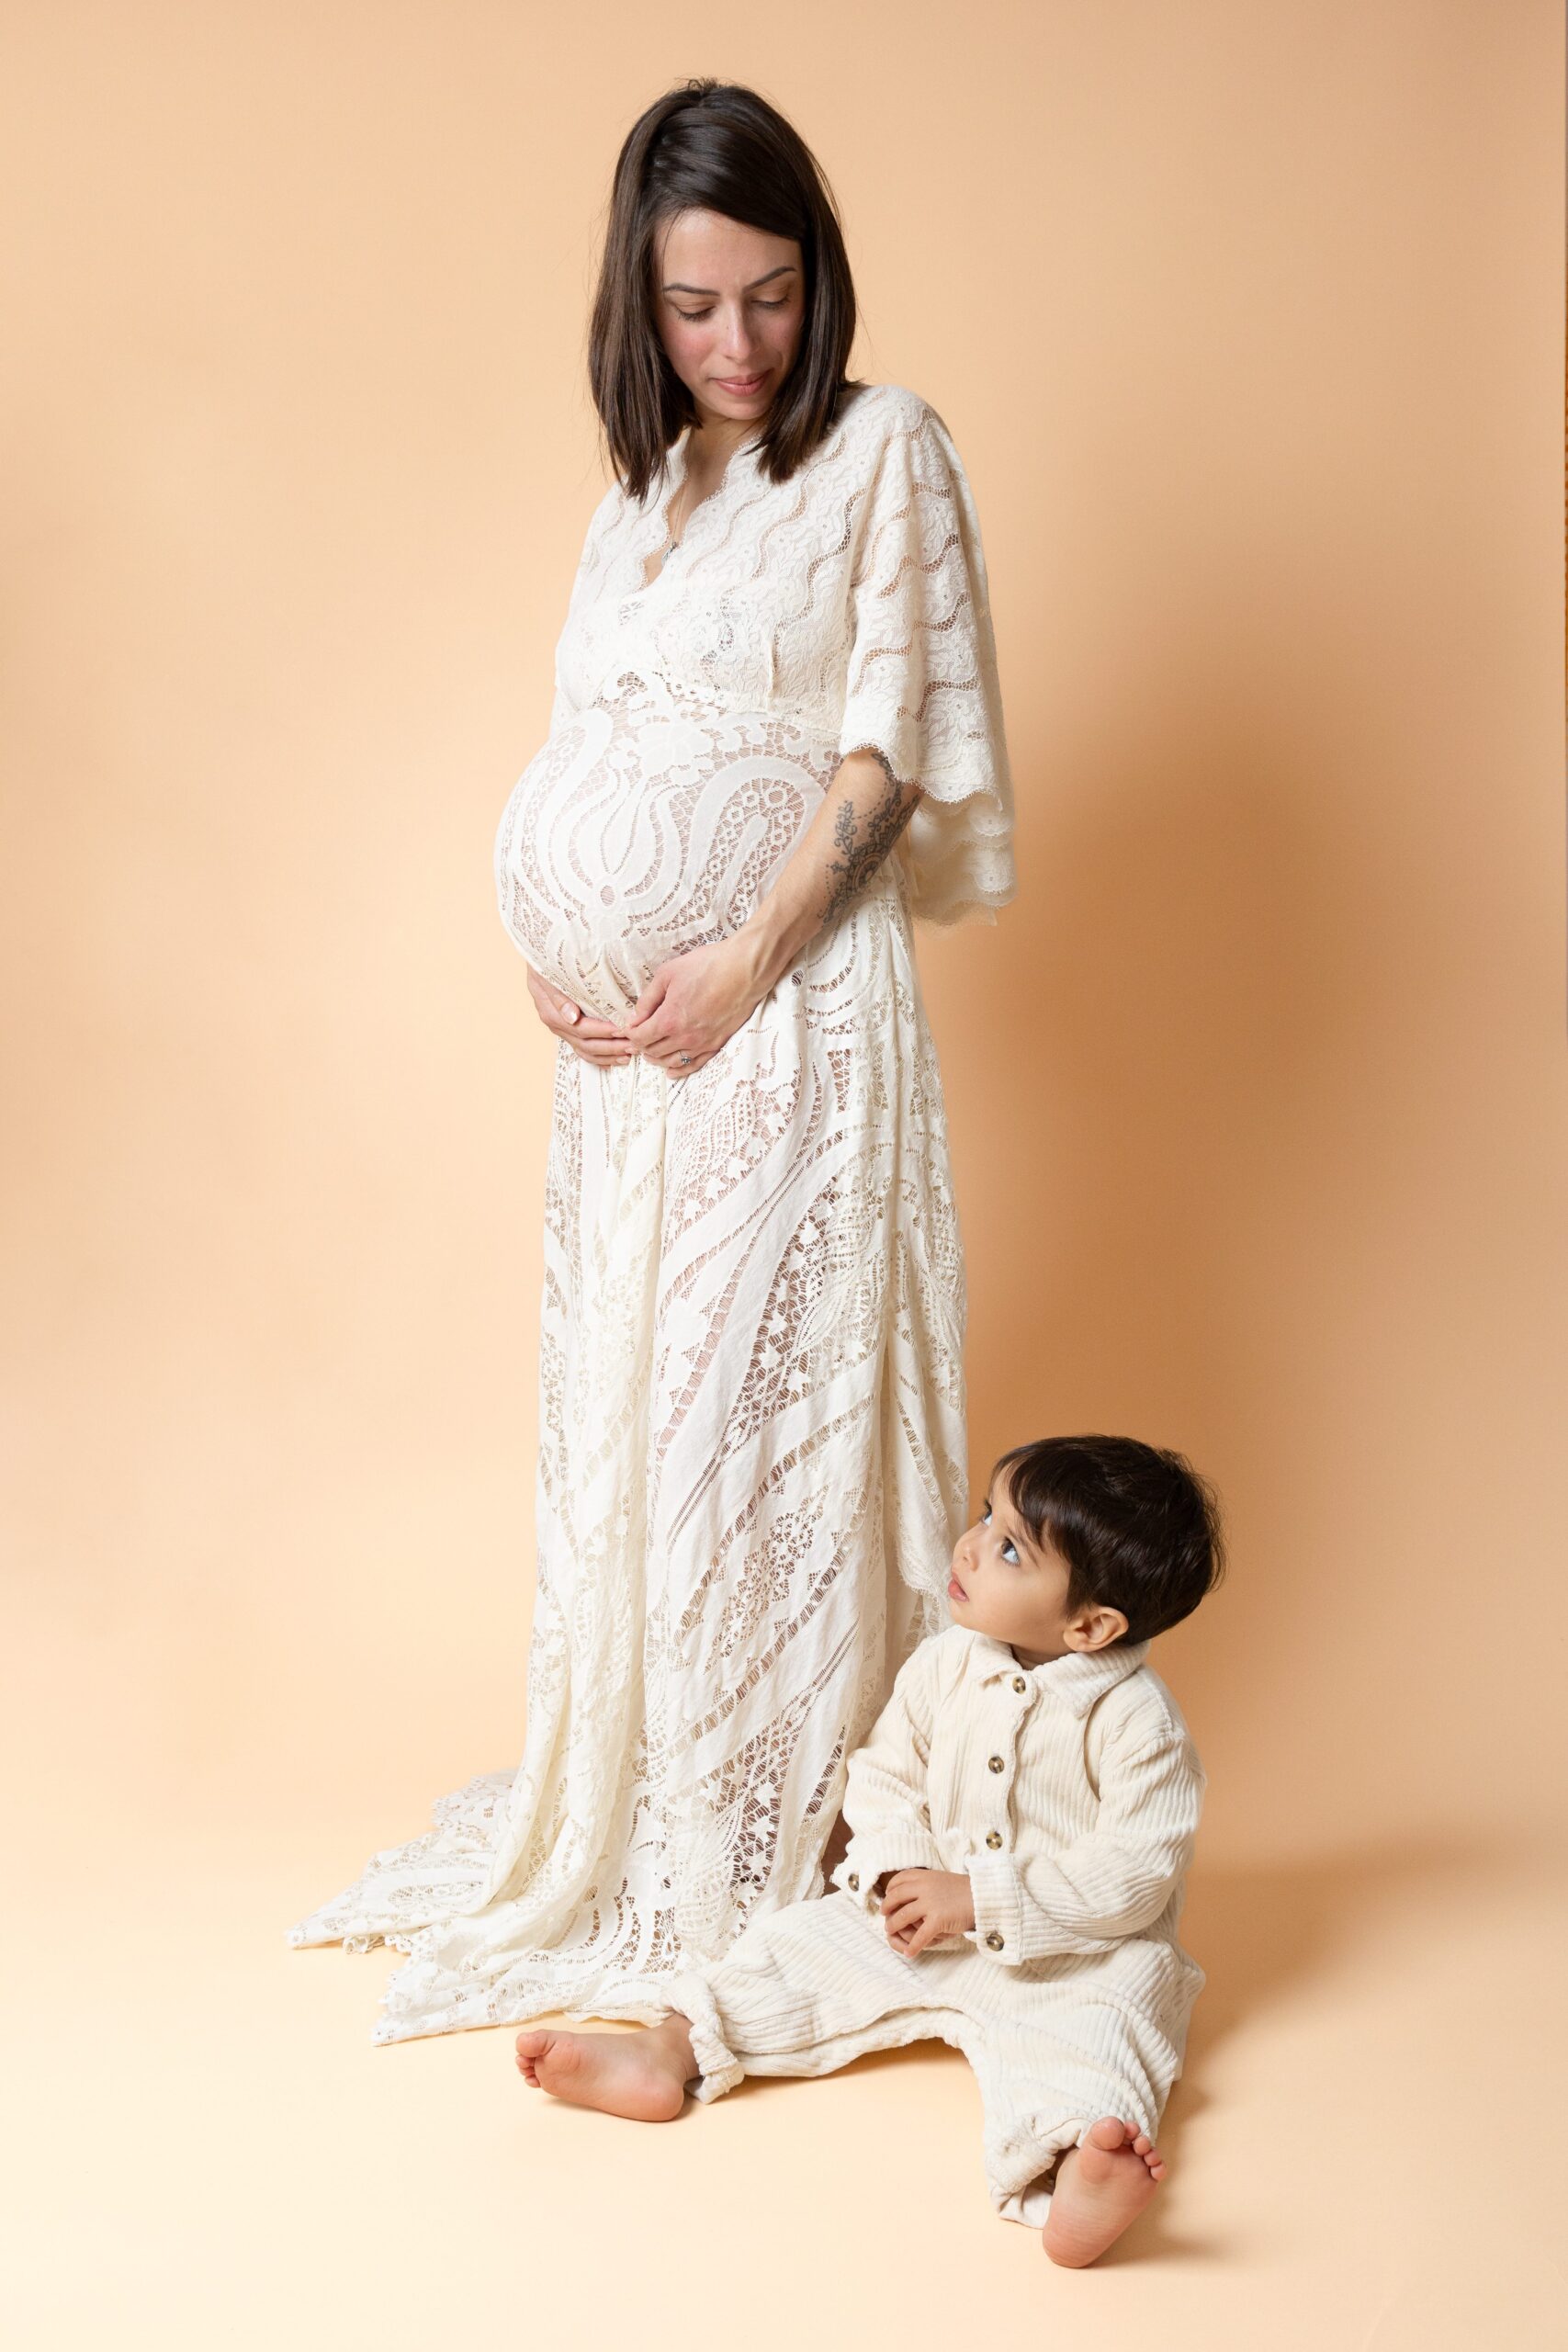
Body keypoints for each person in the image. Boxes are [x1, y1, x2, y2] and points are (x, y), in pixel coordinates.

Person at [287, 78, 1015, 2041]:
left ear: (817, 278)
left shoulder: (882, 448)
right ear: (639, 299)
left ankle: (767, 1849)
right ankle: (670, 1807)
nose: (737, 342)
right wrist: (566, 943)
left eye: (770, 295)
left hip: (790, 1020)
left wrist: (740, 958)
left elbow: (887, 750)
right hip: (630, 1070)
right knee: (635, 1426)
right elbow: (597, 750)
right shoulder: (635, 504)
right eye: (695, 305)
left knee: (747, 1432)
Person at [514, 1435, 1224, 2270]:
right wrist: (898, 1873)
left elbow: (1134, 1874)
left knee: (1109, 2026)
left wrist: (980, 1897)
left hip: (1075, 1955)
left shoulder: (1140, 1725)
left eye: (1008, 1549)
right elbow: (887, 1775)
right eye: (985, 1516)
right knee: (795, 1945)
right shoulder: (943, 1663)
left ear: (1090, 1625)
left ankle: (1077, 2169)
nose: (970, 1546)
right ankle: (665, 2051)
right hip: (923, 1928)